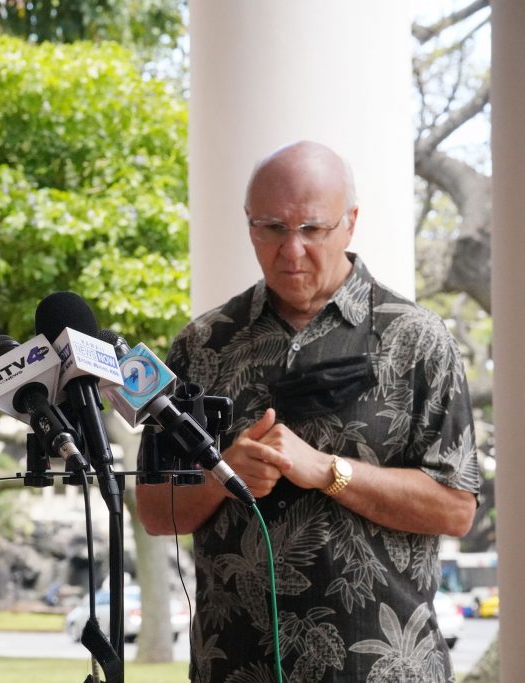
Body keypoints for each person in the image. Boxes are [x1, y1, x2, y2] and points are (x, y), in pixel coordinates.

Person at [135, 140, 480, 682]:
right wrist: (224, 475)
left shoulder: (416, 339)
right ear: (249, 224)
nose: (292, 252)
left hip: (380, 670)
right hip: (236, 665)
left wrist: (329, 472)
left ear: (350, 224)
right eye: (271, 228)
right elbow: (156, 513)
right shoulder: (203, 345)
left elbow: (456, 508)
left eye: (313, 230)